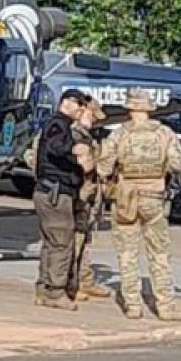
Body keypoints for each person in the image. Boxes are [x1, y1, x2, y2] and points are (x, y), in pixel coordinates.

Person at [98, 89, 181, 321]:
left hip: (125, 196)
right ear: (149, 108)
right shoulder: (164, 133)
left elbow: (103, 167)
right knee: (159, 252)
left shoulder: (119, 134)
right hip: (154, 196)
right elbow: (179, 164)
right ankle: (165, 306)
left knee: (127, 252)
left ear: (130, 108)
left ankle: (133, 304)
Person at [33, 89, 93, 311]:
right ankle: (55, 292)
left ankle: (44, 288)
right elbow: (55, 147)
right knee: (61, 242)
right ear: (67, 103)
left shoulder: (59, 124)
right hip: (55, 193)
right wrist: (74, 149)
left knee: (51, 243)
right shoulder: (58, 124)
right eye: (79, 105)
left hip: (50, 191)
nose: (81, 111)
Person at [71, 100, 112, 302]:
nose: (95, 120)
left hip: (90, 195)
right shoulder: (69, 132)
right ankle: (70, 283)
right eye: (92, 115)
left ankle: (85, 279)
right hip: (76, 193)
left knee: (85, 239)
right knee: (73, 240)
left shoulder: (88, 136)